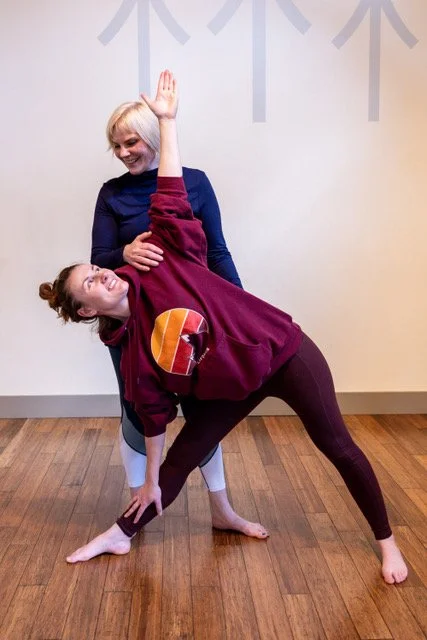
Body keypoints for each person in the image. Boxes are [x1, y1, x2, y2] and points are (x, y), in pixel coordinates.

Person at [39, 71, 408, 584]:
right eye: (93, 280)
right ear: (87, 310)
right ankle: (120, 534)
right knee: (181, 456)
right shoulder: (138, 352)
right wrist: (150, 481)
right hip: (231, 377)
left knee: (337, 444)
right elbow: (153, 422)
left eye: (100, 270)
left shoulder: (164, 255)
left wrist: (169, 122)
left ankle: (387, 543)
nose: (103, 273)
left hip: (279, 353)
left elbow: (177, 202)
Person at [91, 78, 266, 538]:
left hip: (189, 323)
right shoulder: (111, 194)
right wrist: (124, 252)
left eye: (131, 142)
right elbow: (98, 260)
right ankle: (137, 514)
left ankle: (222, 510)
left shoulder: (195, 183)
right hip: (133, 326)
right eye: (116, 145)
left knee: (201, 412)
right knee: (136, 411)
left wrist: (243, 308)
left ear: (153, 135)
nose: (123, 153)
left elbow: (217, 251)